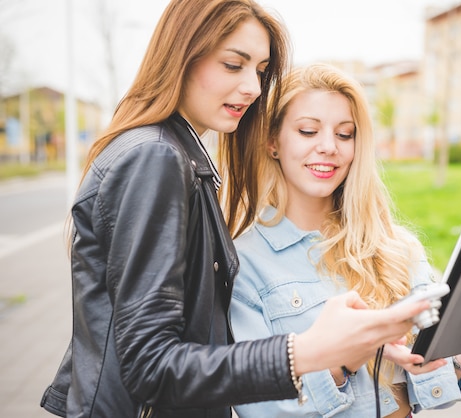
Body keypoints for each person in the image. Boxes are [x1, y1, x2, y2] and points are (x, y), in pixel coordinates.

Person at [39, 2, 435, 417]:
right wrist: (311, 352)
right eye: (233, 65)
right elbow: (151, 366)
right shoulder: (155, 156)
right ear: (182, 54)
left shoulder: (176, 154)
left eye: (261, 71)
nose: (254, 88)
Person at [229, 63, 461, 418]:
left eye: (345, 134)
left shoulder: (398, 247)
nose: (329, 147)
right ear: (273, 142)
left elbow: (424, 386)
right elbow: (262, 408)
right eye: (307, 131)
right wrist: (344, 361)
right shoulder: (246, 263)